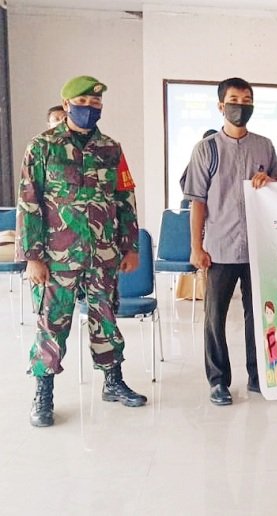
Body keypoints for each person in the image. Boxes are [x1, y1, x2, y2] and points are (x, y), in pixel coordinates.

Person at [19, 75, 147, 427]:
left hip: (103, 254)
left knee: (106, 318)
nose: (90, 109)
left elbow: (125, 199)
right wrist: (33, 257)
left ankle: (113, 381)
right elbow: (29, 202)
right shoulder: (42, 146)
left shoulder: (111, 148)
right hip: (57, 257)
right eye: (83, 103)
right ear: (66, 105)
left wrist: (130, 247)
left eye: (96, 104)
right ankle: (44, 393)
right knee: (52, 322)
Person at [183, 77, 277, 406]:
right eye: (234, 100)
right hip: (220, 247)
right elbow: (197, 201)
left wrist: (272, 180)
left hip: (257, 247)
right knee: (215, 318)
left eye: (247, 100)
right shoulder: (206, 149)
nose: (241, 106)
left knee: (258, 315)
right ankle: (218, 381)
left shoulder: (264, 146)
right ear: (221, 106)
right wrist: (196, 247)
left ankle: (258, 376)